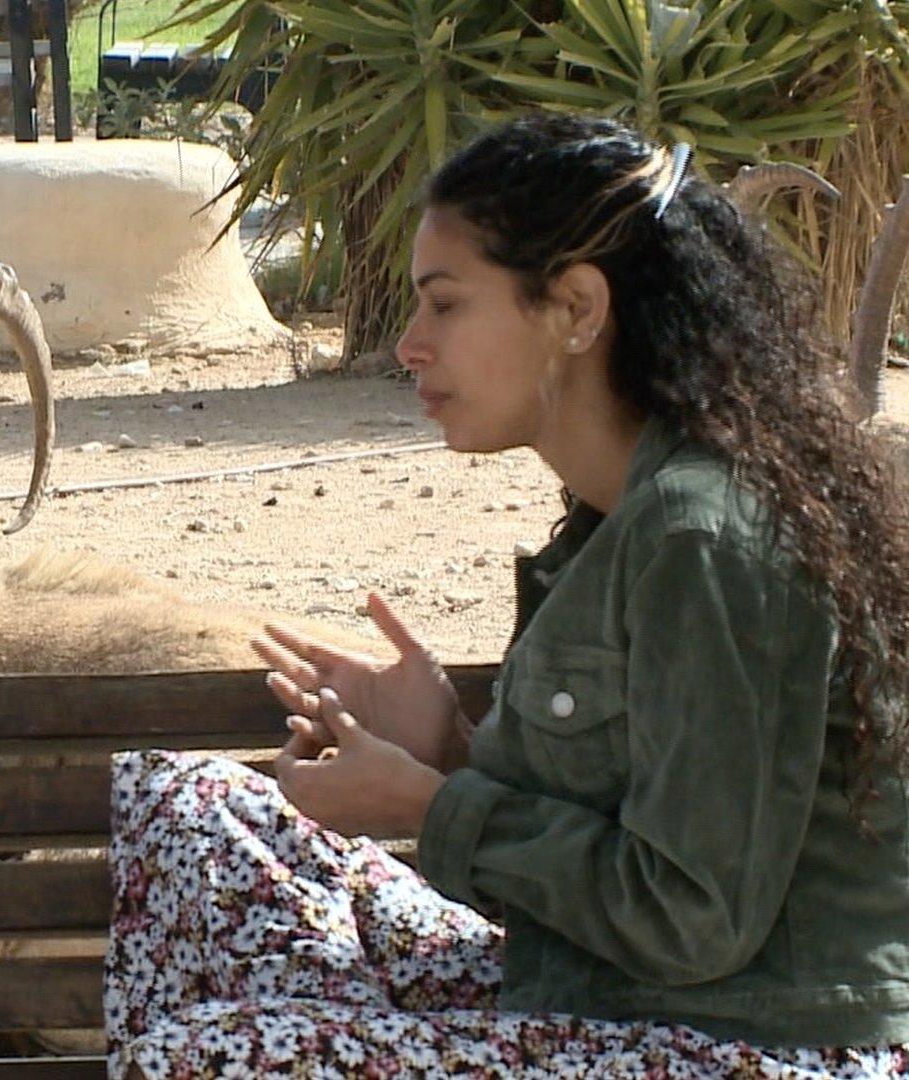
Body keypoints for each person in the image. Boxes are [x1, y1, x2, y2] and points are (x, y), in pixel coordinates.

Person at [105, 112, 909, 1078]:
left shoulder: (704, 540)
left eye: (445, 306)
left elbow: (695, 918)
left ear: (574, 309)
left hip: (752, 1046)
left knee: (207, 1058)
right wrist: (446, 748)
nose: (408, 345)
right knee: (187, 809)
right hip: (610, 1003)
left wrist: (435, 805)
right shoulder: (622, 516)